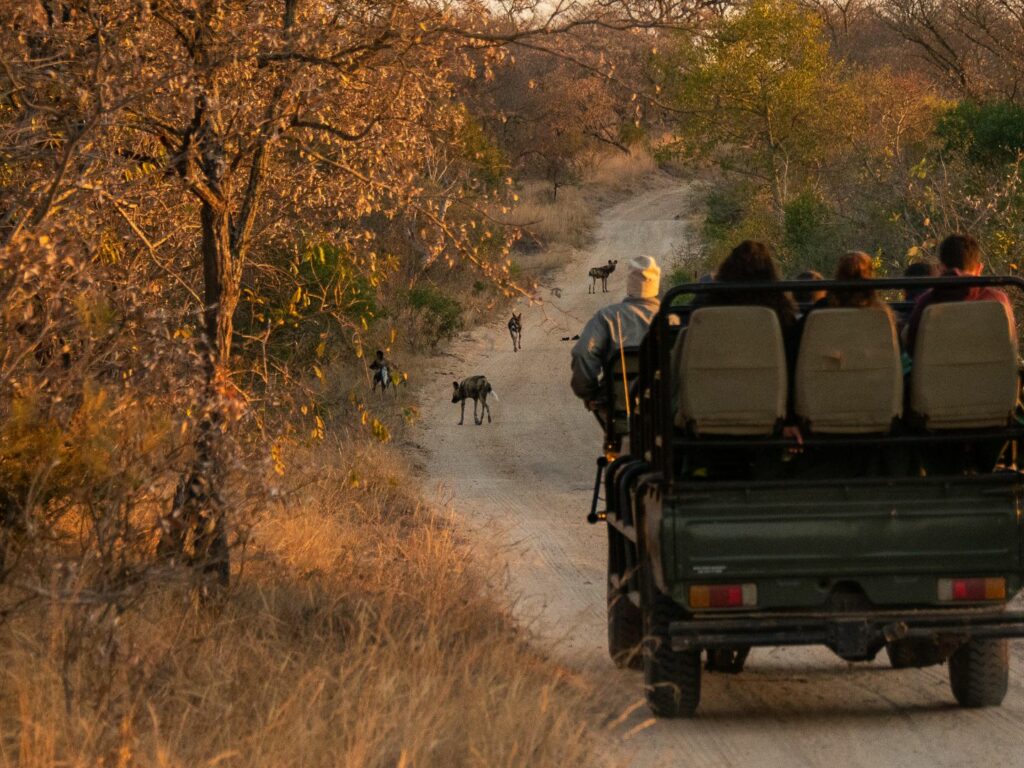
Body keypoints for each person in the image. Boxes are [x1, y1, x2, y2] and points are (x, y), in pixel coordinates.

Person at [570, 255, 660, 412]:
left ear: (629, 283)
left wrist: (590, 394)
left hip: (618, 411)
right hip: (662, 415)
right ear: (657, 283)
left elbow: (583, 353)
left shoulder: (608, 317)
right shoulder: (671, 319)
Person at [902, 234, 1013, 355]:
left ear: (941, 268)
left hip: (938, 373)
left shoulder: (927, 303)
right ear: (979, 269)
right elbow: (1010, 345)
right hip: (989, 373)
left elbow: (912, 348)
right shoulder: (998, 301)